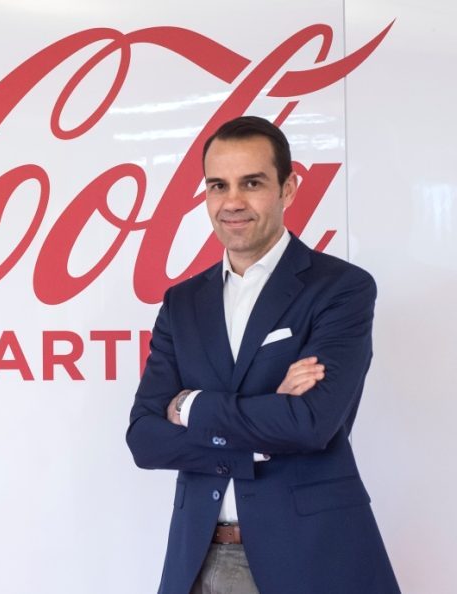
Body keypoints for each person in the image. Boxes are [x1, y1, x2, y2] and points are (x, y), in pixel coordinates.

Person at [126, 116, 400, 594]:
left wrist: (190, 406)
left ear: (287, 189)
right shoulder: (182, 303)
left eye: (251, 183)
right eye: (218, 185)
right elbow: (145, 440)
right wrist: (265, 422)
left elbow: (310, 423)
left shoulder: (341, 289)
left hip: (310, 558)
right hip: (196, 558)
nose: (232, 201)